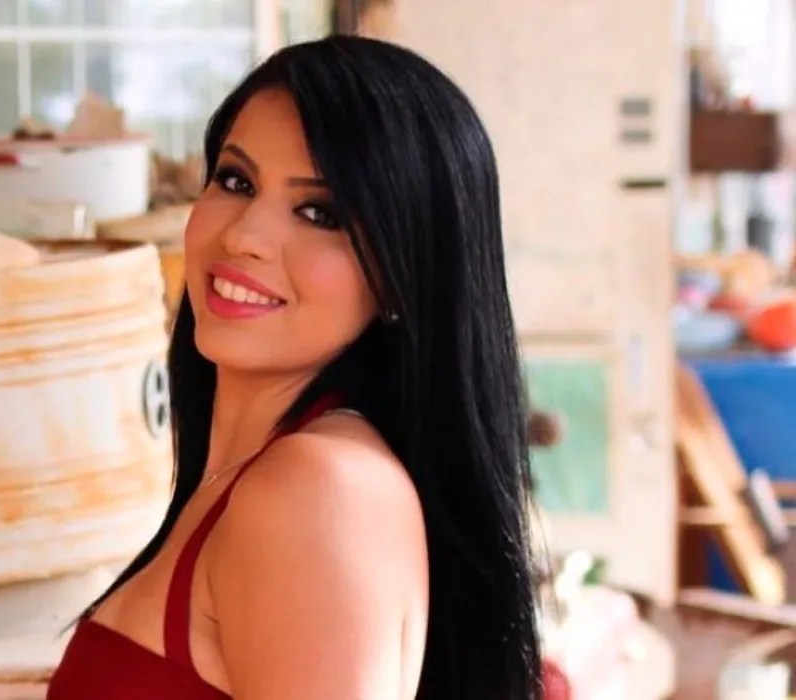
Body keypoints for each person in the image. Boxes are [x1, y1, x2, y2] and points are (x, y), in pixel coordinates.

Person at [45, 35, 541, 699]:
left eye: (319, 213)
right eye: (236, 181)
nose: (244, 236)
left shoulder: (312, 491)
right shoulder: (258, 480)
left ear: (399, 277)